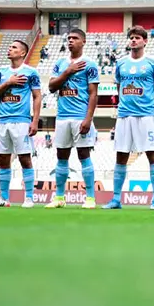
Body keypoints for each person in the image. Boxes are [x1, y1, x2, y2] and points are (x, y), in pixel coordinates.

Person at [104, 26, 154, 210]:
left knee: (152, 155)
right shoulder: (121, 63)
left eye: (137, 38)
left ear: (145, 41)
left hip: (146, 117)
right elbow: (119, 87)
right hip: (124, 116)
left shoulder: (153, 63)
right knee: (121, 156)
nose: (133, 40)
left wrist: (149, 107)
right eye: (131, 37)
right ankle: (116, 199)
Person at [44, 29, 99, 210]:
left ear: (83, 41)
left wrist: (88, 119)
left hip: (80, 116)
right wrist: (67, 72)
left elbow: (93, 93)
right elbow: (51, 87)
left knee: (84, 155)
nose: (70, 41)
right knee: (61, 156)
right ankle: (59, 197)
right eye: (68, 38)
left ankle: (90, 198)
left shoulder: (90, 64)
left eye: (75, 38)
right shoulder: (60, 63)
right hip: (62, 117)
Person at [0, 41, 41, 208]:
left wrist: (35, 120)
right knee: (3, 158)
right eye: (9, 47)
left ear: (22, 53)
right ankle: (4, 198)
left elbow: (37, 96)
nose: (9, 49)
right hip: (3, 120)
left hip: (21, 121)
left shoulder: (31, 72)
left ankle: (29, 198)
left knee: (24, 158)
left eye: (14, 47)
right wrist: (8, 83)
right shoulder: (1, 71)